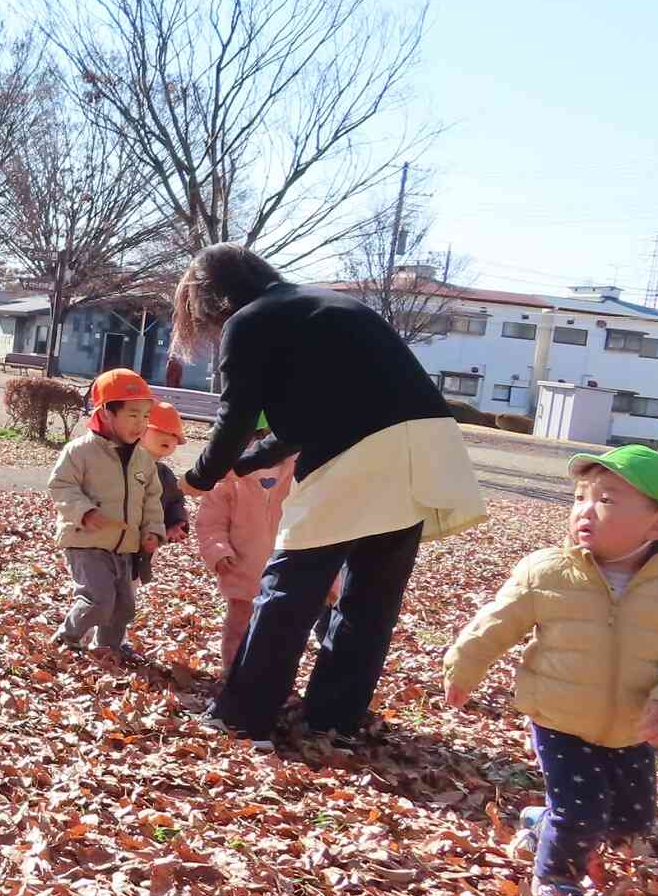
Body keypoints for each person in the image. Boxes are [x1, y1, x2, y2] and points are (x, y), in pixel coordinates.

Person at [173, 244, 486, 741]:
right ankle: (333, 720)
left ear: (211, 298)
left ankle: (242, 714)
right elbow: (306, 421)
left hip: (360, 451)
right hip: (429, 446)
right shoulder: (328, 309)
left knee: (289, 585)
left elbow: (235, 419)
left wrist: (200, 476)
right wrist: (243, 466)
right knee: (371, 597)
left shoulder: (249, 322)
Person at [443, 446, 658, 896]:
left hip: (632, 726)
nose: (585, 510)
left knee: (631, 821)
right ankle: (556, 880)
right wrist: (465, 666)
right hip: (559, 719)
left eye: (606, 500)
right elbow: (496, 622)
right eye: (580, 497)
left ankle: (540, 822)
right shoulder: (549, 572)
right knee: (581, 811)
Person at [198, 414, 343, 666]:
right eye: (250, 440)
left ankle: (266, 676)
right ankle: (233, 673)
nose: (256, 445)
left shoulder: (301, 472)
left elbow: (322, 523)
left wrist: (331, 579)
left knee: (279, 631)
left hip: (288, 575)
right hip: (242, 569)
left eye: (263, 438)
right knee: (238, 627)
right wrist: (218, 550)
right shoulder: (229, 480)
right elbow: (211, 521)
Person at [49, 368, 167, 658]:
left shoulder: (142, 459)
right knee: (99, 600)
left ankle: (108, 647)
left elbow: (152, 498)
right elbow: (61, 486)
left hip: (124, 546)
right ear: (106, 412)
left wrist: (153, 529)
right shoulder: (80, 451)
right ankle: (68, 636)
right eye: (132, 414)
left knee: (124, 607)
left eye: (145, 416)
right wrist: (85, 512)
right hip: (86, 541)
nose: (141, 423)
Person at [133, 399, 191, 584]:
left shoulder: (165, 475)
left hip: (143, 551)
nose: (168, 438)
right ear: (141, 431)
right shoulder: (122, 465)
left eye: (173, 435)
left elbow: (175, 501)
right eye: (161, 431)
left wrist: (175, 523)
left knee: (129, 592)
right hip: (112, 543)